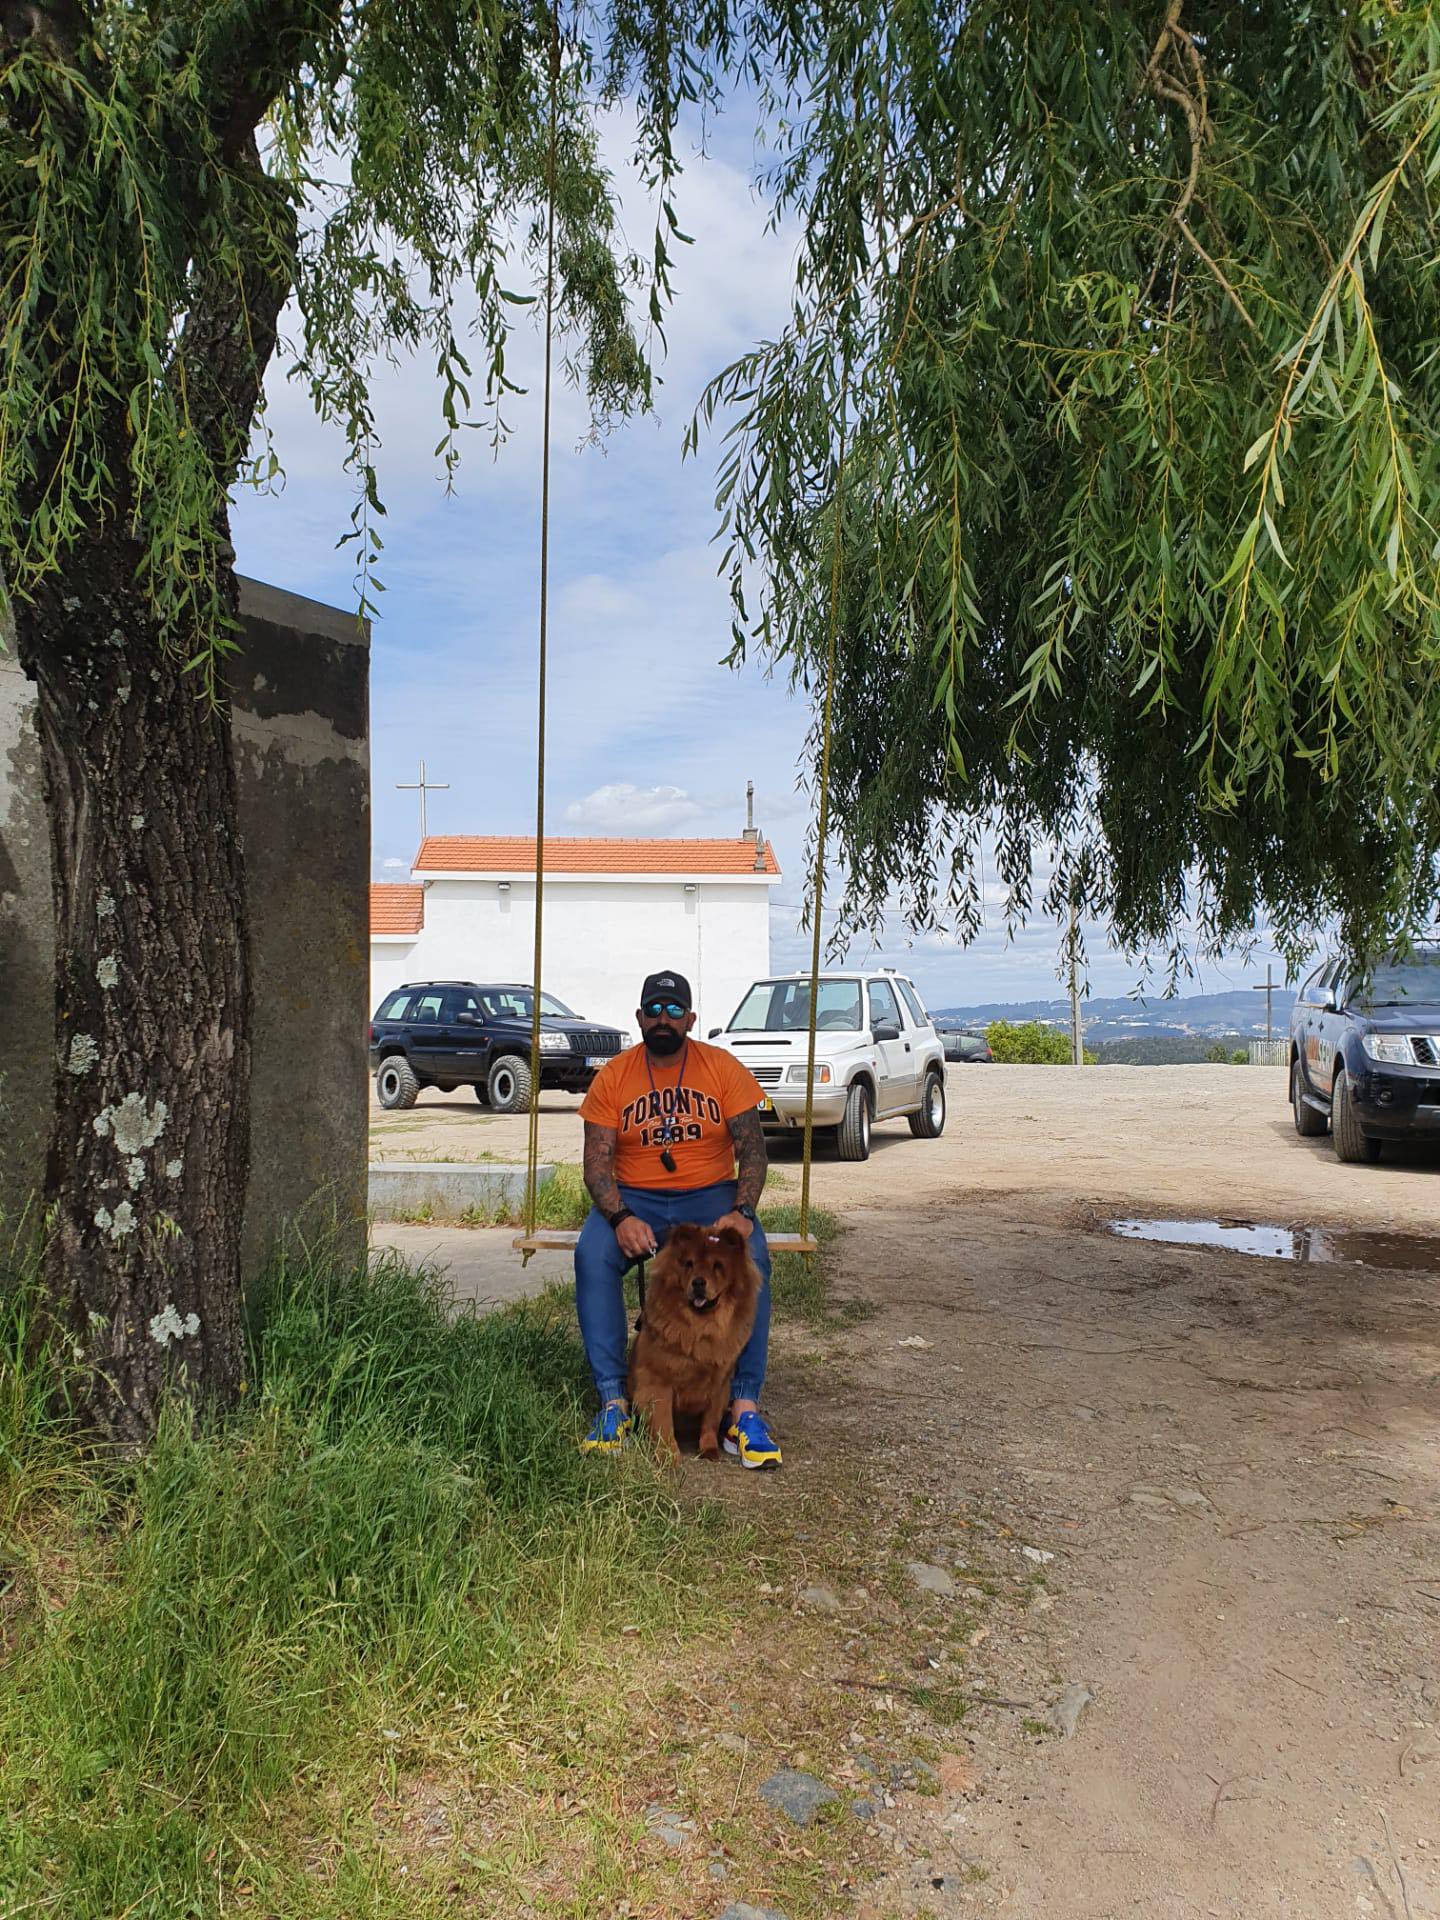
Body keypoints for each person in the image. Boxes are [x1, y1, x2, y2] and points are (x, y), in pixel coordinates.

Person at [574, 968, 781, 1468]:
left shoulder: (722, 1069)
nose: (662, 1020)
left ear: (690, 1018)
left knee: (753, 1259)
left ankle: (743, 1407)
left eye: (673, 1011)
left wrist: (742, 1211)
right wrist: (620, 1216)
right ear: (640, 1017)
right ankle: (614, 1402)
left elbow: (754, 1151)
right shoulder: (615, 1076)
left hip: (709, 1198)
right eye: (654, 1010)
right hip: (636, 1198)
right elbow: (596, 1164)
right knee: (590, 1256)